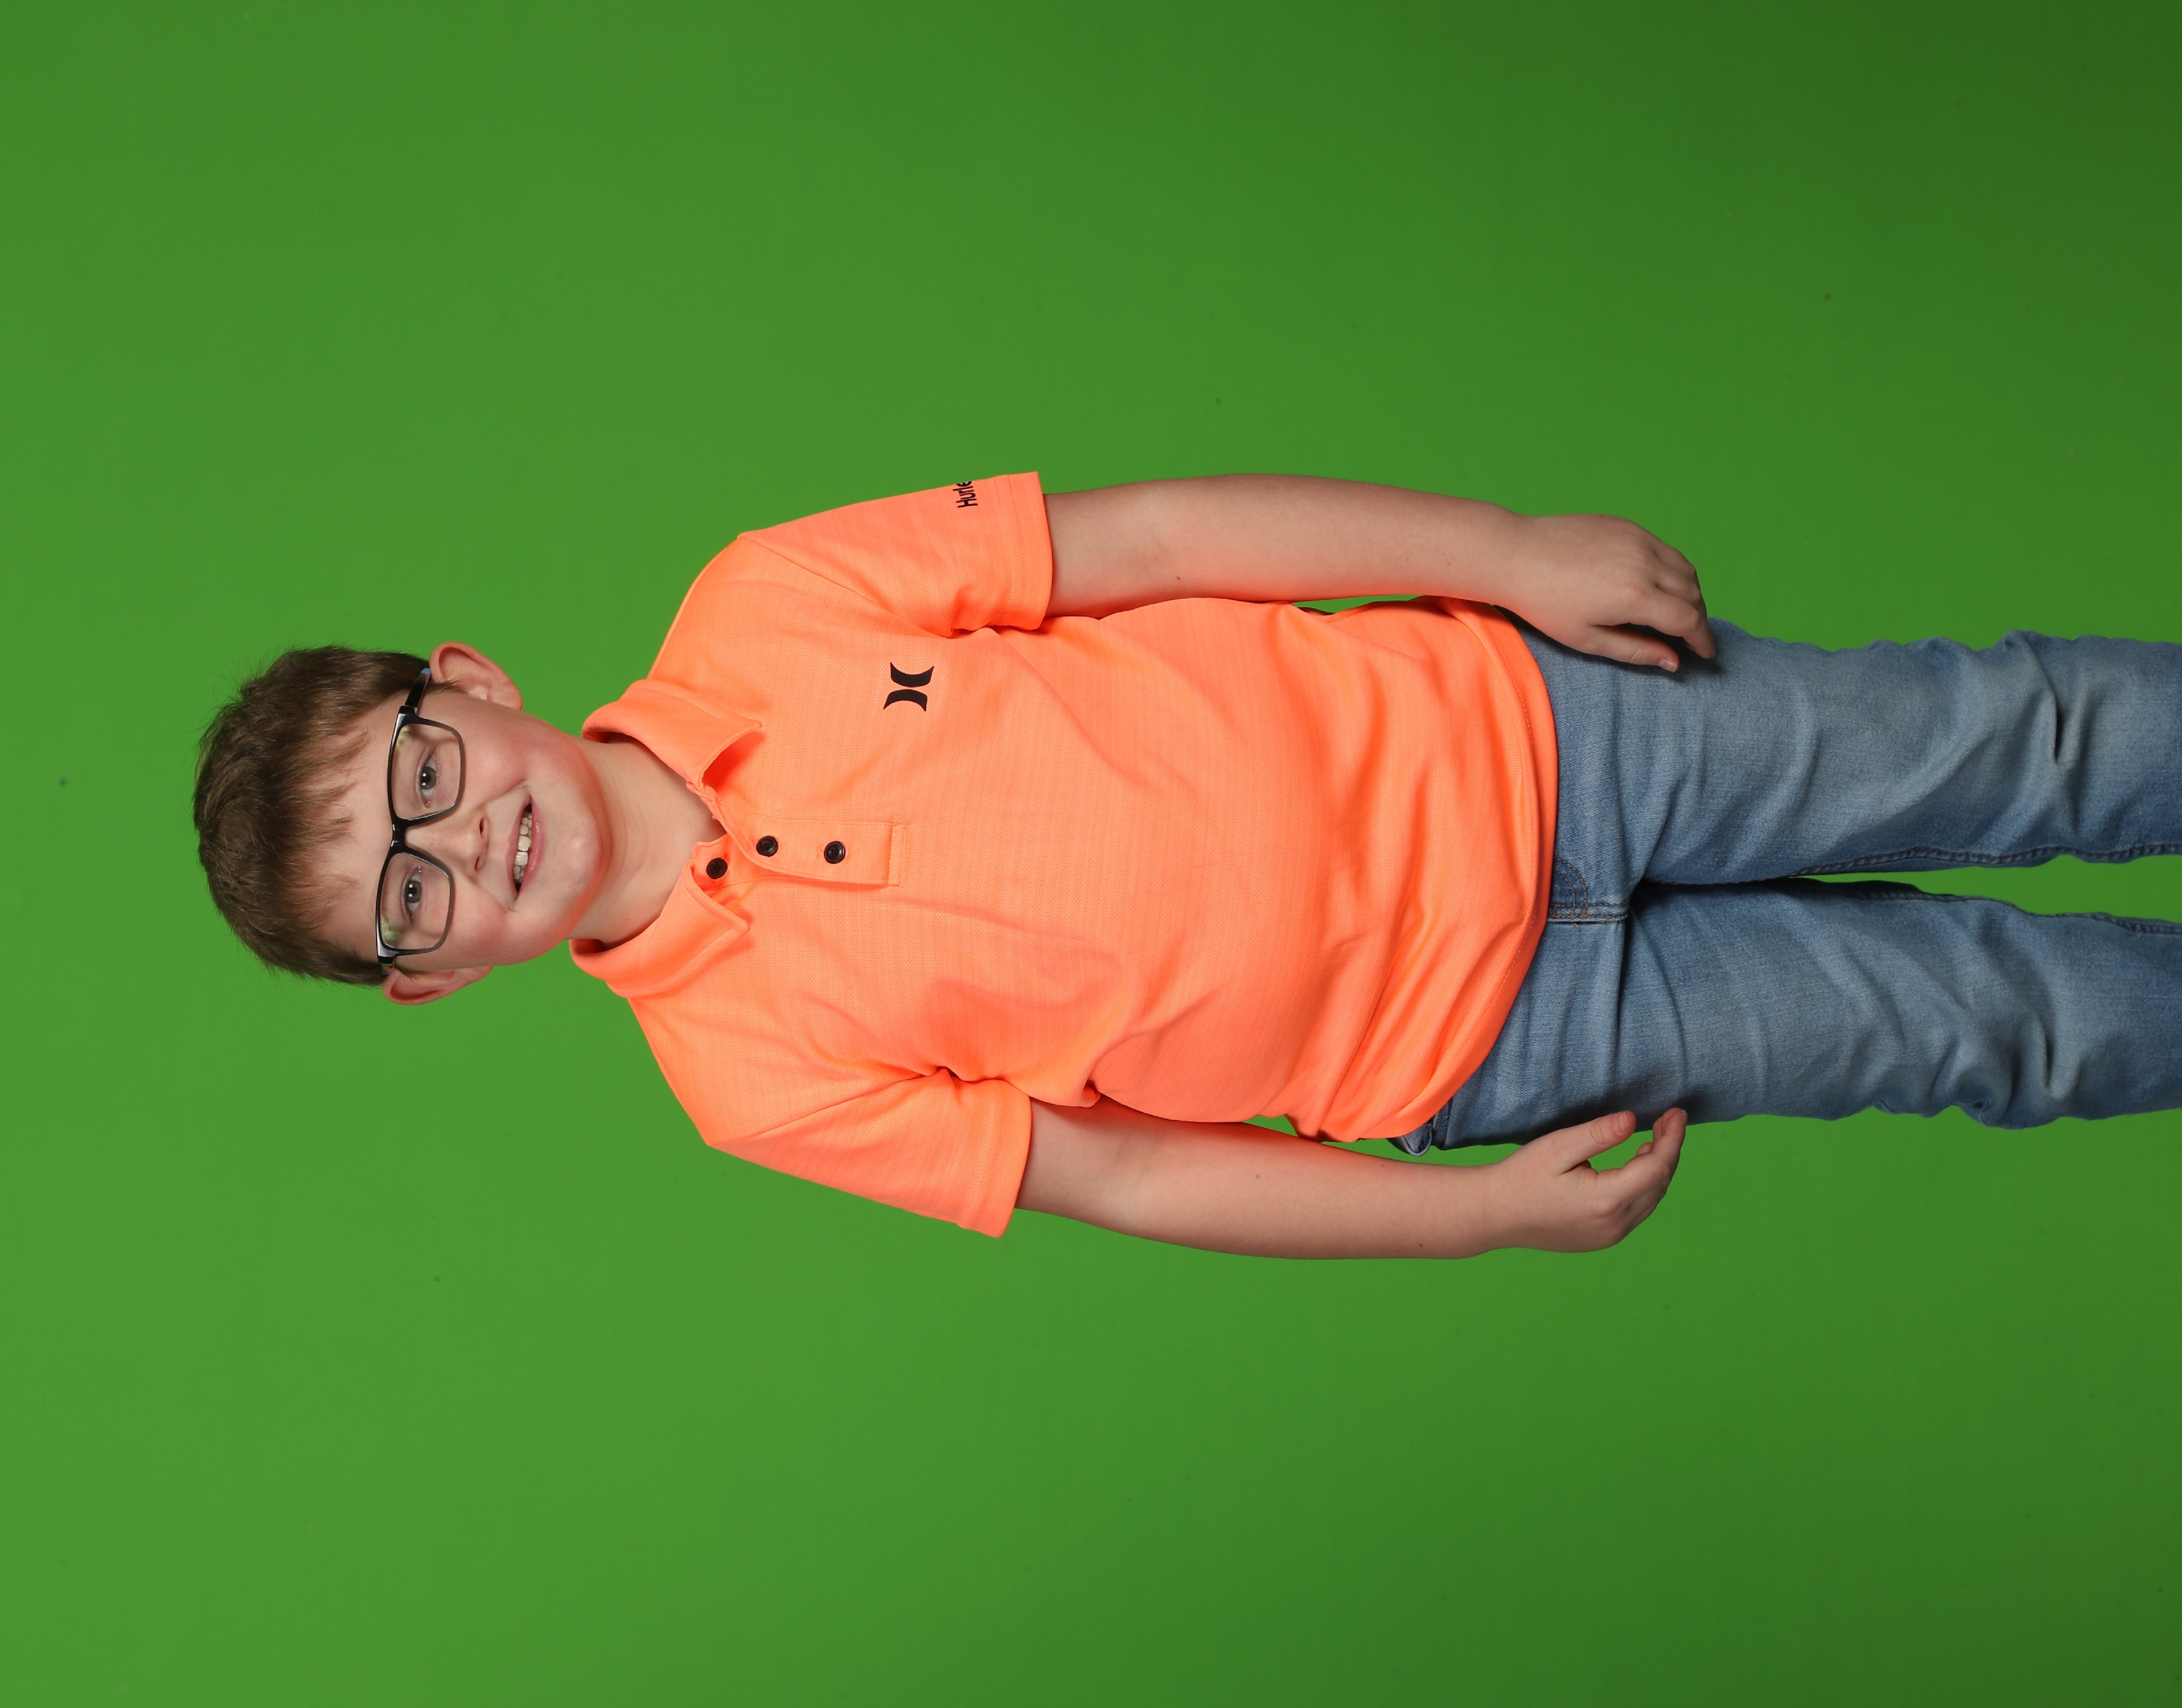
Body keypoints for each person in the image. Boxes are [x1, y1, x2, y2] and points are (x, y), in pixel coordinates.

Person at [191, 474, 2182, 1258]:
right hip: (1493, 1039)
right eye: (409, 891)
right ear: (430, 974)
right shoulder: (745, 1082)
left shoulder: (767, 600)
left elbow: (1148, 542)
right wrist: (1469, 1222)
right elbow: (1126, 1173)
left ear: (471, 682)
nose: (464, 840)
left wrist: (1500, 557)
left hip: (1544, 731)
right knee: (1976, 1024)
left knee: (2008, 736)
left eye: (424, 772)